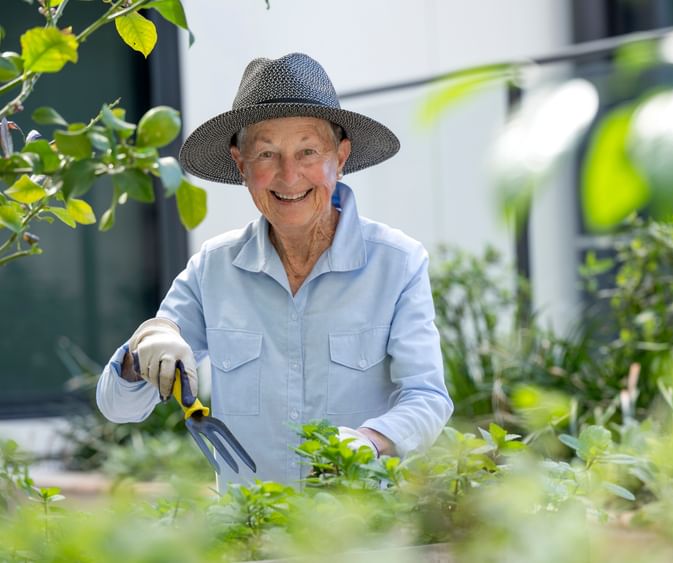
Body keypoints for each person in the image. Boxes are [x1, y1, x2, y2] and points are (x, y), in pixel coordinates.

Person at [96, 53, 453, 490]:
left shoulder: (397, 263)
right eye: (267, 153)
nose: (289, 175)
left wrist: (371, 441)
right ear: (241, 165)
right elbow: (119, 408)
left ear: (340, 157)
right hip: (247, 531)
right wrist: (141, 353)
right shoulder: (213, 267)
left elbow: (428, 398)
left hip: (360, 528)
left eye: (308, 151)